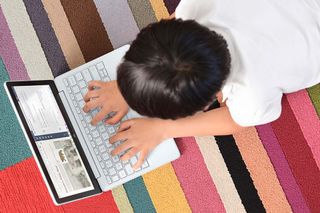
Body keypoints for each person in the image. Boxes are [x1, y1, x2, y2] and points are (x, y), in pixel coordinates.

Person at [83, 0, 320, 169]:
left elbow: (234, 121)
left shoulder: (253, 95)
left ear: (208, 102)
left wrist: (162, 128)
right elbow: (171, 29)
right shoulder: (197, 6)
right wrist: (131, 85)